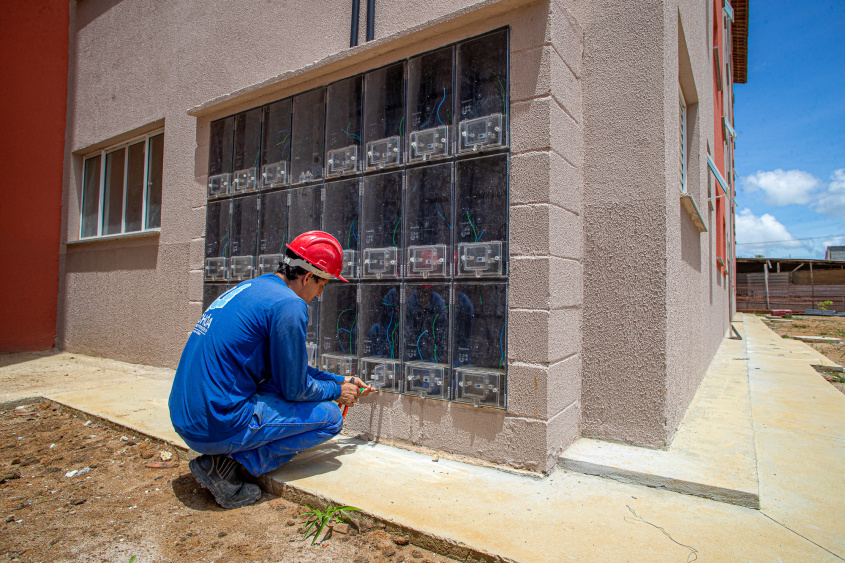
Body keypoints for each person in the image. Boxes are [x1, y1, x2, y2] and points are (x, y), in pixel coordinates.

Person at [169, 231, 373, 509]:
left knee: (282, 390)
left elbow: (288, 370)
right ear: (306, 277)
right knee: (329, 418)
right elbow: (295, 388)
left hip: (186, 416)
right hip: (213, 422)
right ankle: (228, 470)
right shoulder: (290, 305)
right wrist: (338, 392)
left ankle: (223, 458)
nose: (320, 294)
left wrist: (340, 380)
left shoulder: (255, 288)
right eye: (322, 284)